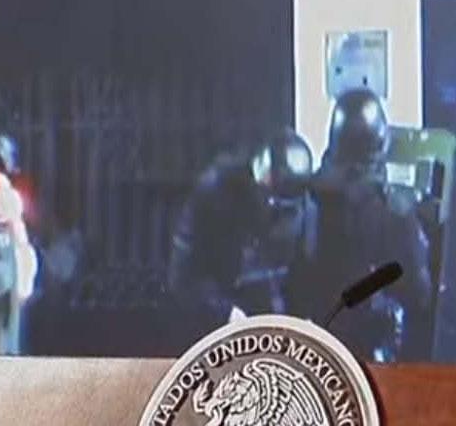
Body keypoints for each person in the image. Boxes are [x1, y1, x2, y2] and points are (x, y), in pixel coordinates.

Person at [300, 89, 432, 361]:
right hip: (371, 355)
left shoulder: (308, 197)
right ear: (380, 144)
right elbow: (420, 295)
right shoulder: (394, 211)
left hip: (316, 348)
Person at [169, 128, 318, 331]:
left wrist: (303, 316)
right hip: (218, 318)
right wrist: (225, 312)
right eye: (270, 202)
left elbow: (301, 273)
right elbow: (183, 278)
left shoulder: (302, 208)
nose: (273, 211)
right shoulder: (214, 192)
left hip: (273, 319)